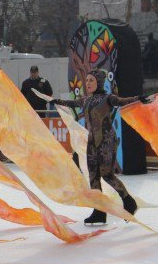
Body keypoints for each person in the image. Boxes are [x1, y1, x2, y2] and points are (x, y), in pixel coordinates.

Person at [50, 70, 149, 225]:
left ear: (99, 82)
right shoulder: (87, 100)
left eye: (91, 80)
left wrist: (139, 99)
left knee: (107, 174)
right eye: (87, 80)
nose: (87, 83)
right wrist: (56, 101)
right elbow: (73, 104)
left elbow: (123, 101)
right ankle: (99, 212)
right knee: (93, 177)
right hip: (92, 142)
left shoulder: (108, 98)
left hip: (106, 141)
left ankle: (129, 201)